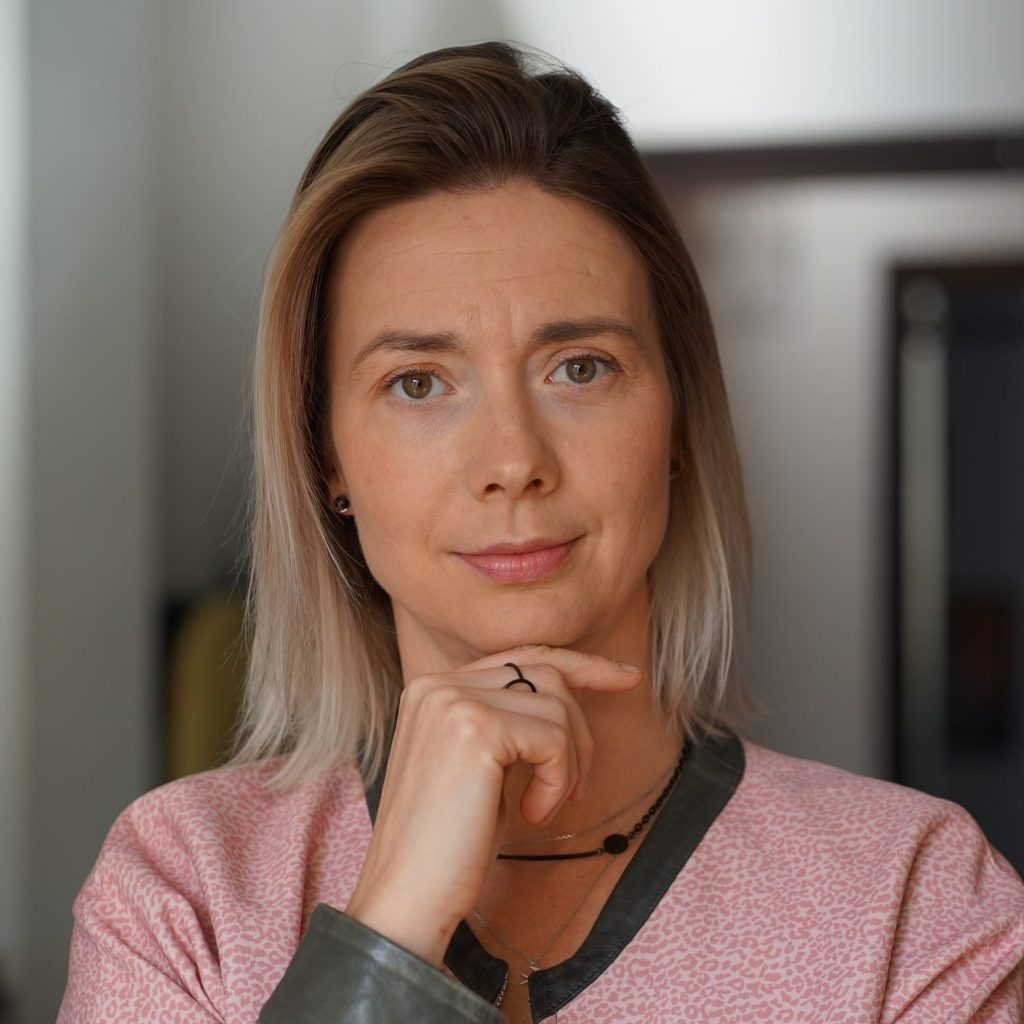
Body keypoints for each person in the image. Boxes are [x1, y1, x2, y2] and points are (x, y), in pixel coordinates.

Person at [57, 40, 1024, 1024]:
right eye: (418, 383)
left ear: (677, 421)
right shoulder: (181, 894)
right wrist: (389, 928)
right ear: (328, 459)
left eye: (579, 368)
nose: (512, 459)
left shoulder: (914, 904)